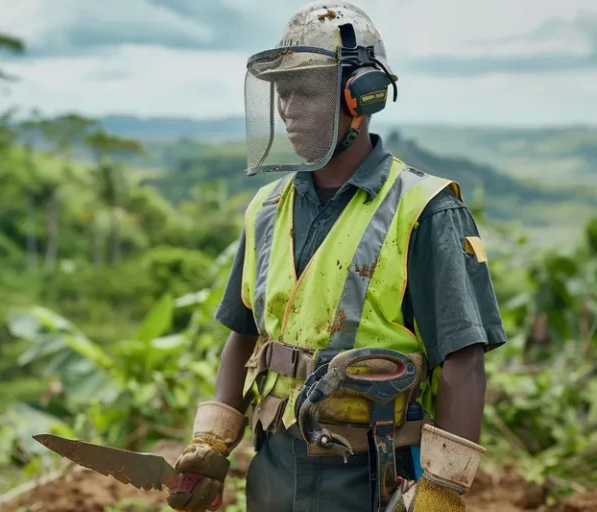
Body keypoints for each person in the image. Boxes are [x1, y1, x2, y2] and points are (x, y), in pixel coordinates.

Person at [166, 2, 507, 511]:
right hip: (274, 467)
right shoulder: (266, 209)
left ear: (362, 94)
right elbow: (243, 335)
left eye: (305, 92)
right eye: (282, 93)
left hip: (375, 474)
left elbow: (463, 362)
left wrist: (442, 491)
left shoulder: (426, 211)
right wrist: (213, 442)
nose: (287, 109)